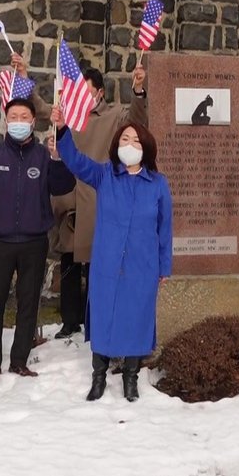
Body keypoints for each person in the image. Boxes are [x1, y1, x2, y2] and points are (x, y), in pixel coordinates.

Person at [22, 55, 149, 338]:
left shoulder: (114, 116)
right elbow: (43, 109)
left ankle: (94, 320)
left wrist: (138, 92)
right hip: (70, 194)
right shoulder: (69, 114)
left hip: (98, 195)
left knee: (97, 263)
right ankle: (69, 320)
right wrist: (25, 81)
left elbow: (137, 121)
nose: (79, 95)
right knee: (68, 260)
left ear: (100, 92)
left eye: (86, 90)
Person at [52, 108, 171, 401]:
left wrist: (163, 267)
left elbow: (165, 227)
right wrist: (63, 130)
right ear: (117, 144)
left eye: (136, 141)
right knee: (104, 316)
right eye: (125, 139)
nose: (129, 145)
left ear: (146, 149)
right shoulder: (105, 175)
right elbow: (77, 162)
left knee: (137, 319)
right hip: (106, 262)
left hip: (142, 264)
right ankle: (99, 376)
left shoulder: (158, 184)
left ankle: (131, 377)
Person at [0, 98, 75, 384]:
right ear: (6, 121)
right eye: (14, 116)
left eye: (25, 116)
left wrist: (59, 159)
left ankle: (19, 359)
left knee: (28, 302)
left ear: (33, 122)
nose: (19, 121)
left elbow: (63, 185)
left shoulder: (44, 155)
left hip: (34, 241)